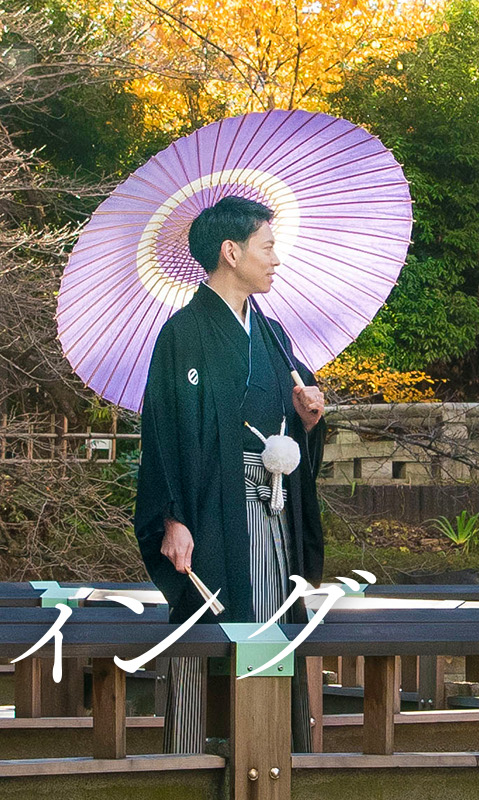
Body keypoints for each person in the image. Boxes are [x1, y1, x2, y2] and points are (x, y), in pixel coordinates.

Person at [131, 192, 333, 636]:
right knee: (214, 632)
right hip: (211, 513)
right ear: (231, 251)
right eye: (267, 247)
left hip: (276, 506)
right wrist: (173, 518)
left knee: (275, 622)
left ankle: (270, 710)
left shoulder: (273, 334)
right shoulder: (182, 334)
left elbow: (290, 424)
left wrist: (309, 421)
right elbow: (164, 434)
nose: (276, 260)